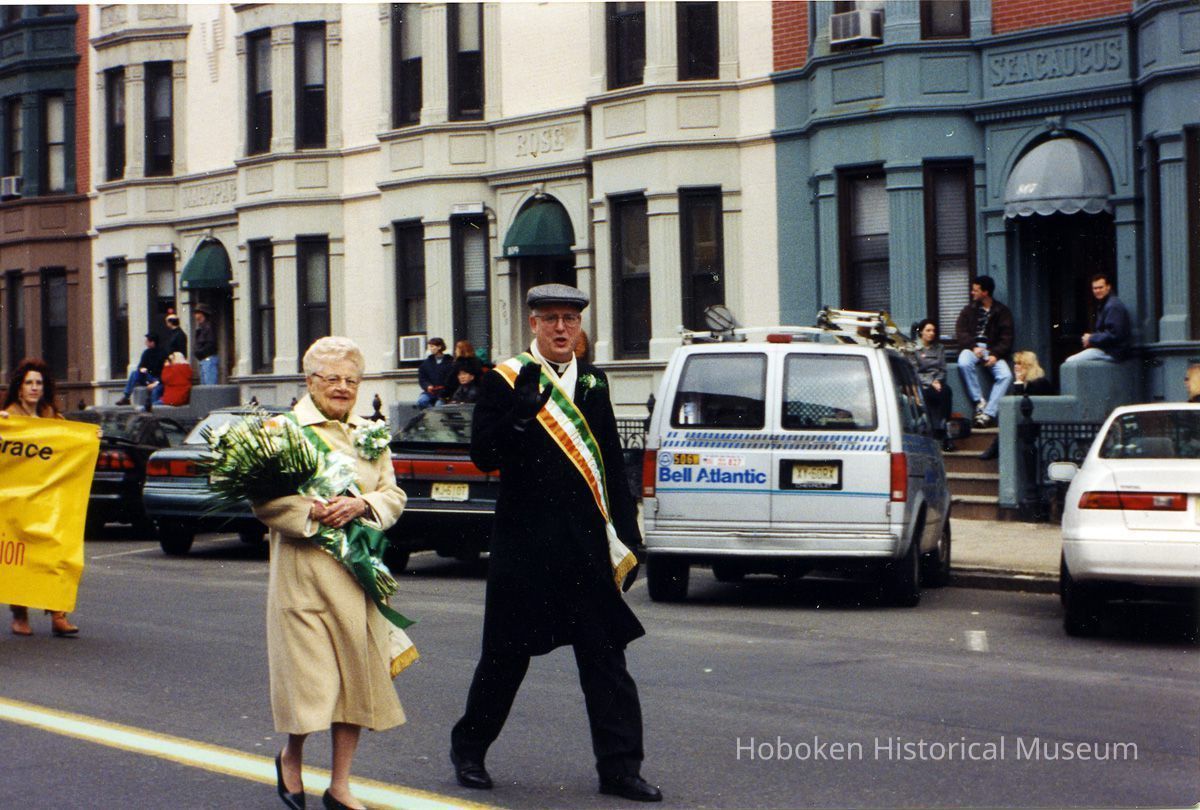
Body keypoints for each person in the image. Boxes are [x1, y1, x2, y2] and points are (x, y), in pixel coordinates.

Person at [450, 283, 661, 803]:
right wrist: (519, 417)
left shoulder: (593, 380)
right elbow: (483, 455)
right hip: (525, 546)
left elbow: (609, 457)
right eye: (550, 319)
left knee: (606, 659)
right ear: (533, 325)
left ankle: (620, 769)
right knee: (504, 656)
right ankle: (469, 751)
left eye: (570, 318)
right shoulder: (504, 379)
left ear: (580, 325)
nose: (562, 328)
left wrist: (628, 531)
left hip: (585, 547)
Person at [251, 336, 408, 810]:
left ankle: (340, 786)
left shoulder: (369, 432)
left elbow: (393, 495)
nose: (342, 388)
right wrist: (315, 510)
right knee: (311, 685)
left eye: (351, 380)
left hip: (358, 579)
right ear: (309, 381)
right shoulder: (283, 431)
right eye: (332, 378)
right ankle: (291, 756)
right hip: (305, 577)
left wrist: (363, 503)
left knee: (356, 685)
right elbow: (263, 502)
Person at [2, 359, 80, 637]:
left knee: (55, 553)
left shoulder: (52, 417)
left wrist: (91, 437)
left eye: (39, 383)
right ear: (19, 389)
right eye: (29, 383)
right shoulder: (8, 417)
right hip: (18, 502)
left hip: (48, 501)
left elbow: (70, 445)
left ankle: (58, 614)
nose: (34, 388)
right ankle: (20, 614)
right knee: (20, 557)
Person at [954, 275, 1015, 429]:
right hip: (972, 348)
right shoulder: (969, 310)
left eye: (975, 290)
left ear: (985, 292)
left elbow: (1007, 337)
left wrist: (995, 354)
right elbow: (961, 332)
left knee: (1006, 375)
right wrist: (973, 346)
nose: (972, 293)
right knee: (963, 362)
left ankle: (988, 413)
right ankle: (979, 402)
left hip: (991, 350)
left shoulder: (1002, 311)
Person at [978, 350, 1053, 461]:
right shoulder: (1025, 382)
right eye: (1015, 363)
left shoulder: (1039, 382)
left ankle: (994, 450)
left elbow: (1022, 404)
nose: (1016, 367)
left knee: (1010, 421)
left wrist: (1019, 383)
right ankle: (994, 449)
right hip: (1026, 420)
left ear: (1028, 366)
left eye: (1019, 364)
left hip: (1040, 421)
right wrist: (1019, 382)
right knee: (1009, 421)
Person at [1063, 272, 1132, 364]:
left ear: (1108, 287)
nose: (1097, 291)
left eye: (1101, 287)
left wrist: (1091, 338)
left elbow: (1115, 334)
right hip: (1108, 351)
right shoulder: (1106, 304)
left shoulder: (1113, 306)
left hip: (1112, 352)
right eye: (1095, 288)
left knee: (1070, 362)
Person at [913, 319, 955, 452]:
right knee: (933, 394)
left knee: (947, 391)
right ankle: (941, 431)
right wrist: (930, 381)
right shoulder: (915, 349)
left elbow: (942, 369)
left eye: (933, 331)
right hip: (923, 385)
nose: (932, 333)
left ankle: (945, 428)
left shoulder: (940, 348)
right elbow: (915, 372)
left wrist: (937, 381)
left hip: (938, 383)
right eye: (928, 330)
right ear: (921, 332)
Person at [115, 333, 166, 406]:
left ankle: (153, 407)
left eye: (147, 341)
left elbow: (164, 371)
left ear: (152, 342)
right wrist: (142, 370)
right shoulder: (146, 353)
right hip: (148, 376)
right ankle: (126, 397)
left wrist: (155, 383)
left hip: (158, 378)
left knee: (156, 390)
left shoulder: (163, 353)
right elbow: (141, 366)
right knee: (134, 373)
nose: (146, 343)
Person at [416, 337, 454, 409]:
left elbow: (451, 379)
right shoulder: (426, 363)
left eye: (432, 346)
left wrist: (444, 389)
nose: (430, 349)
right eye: (430, 347)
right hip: (430, 392)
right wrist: (427, 386)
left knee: (438, 406)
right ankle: (430, 414)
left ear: (439, 347)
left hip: (444, 393)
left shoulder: (450, 362)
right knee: (421, 401)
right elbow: (422, 378)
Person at [193, 304, 219, 385]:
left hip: (209, 359)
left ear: (202, 314)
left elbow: (211, 344)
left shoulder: (209, 327)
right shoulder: (201, 329)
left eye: (197, 313)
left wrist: (200, 352)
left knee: (209, 386)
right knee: (204, 386)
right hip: (203, 359)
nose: (195, 316)